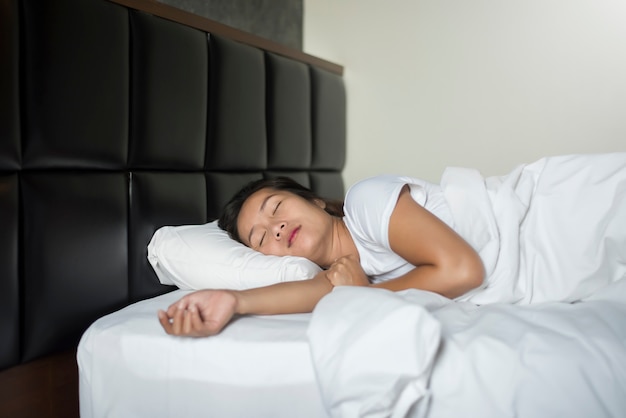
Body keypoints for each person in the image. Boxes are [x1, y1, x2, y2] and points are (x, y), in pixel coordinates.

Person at [158, 153, 626, 337]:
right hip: (560, 262)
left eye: (276, 207)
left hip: (560, 214)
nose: (275, 229)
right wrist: (231, 301)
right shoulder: (342, 276)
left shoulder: (366, 202)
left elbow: (463, 270)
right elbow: (306, 294)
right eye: (261, 239)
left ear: (317, 201)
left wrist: (362, 297)